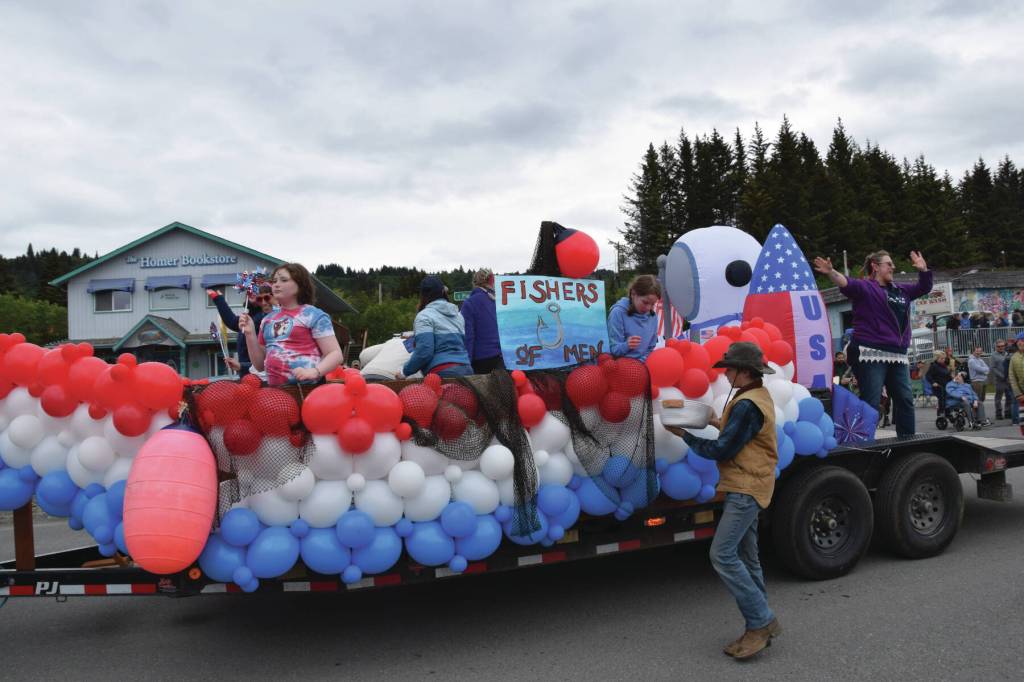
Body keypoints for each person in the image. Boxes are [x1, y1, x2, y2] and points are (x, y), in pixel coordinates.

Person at [665, 342, 780, 659]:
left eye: (729, 368)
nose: (725, 373)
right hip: (750, 484)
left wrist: (683, 434)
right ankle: (756, 626)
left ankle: (762, 622)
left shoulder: (746, 405)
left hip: (746, 488)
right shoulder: (753, 396)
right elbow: (742, 436)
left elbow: (721, 450)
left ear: (744, 372)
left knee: (723, 555)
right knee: (748, 557)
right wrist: (717, 422)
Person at [813, 250, 932, 437]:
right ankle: (863, 442)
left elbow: (923, 288)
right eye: (888, 264)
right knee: (871, 401)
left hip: (897, 355)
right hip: (871, 352)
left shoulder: (902, 291)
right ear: (875, 267)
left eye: (892, 264)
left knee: (905, 400)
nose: (893, 267)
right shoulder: (865, 287)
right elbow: (846, 283)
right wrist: (831, 272)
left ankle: (907, 441)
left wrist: (924, 270)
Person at [239, 263, 342, 386]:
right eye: (274, 281)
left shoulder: (313, 315)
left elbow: (335, 354)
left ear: (300, 285)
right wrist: (250, 334)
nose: (276, 284)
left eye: (283, 280)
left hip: (308, 390)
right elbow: (260, 365)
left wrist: (315, 372)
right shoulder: (267, 320)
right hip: (276, 394)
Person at [402, 275, 473, 378]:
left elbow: (424, 352)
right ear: (443, 292)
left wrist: (404, 371)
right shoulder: (458, 315)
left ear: (423, 295)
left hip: (442, 372)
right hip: (467, 369)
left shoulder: (424, 316)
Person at [207, 283, 274, 374]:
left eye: (256, 290)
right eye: (249, 290)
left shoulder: (267, 319)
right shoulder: (252, 316)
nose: (252, 292)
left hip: (260, 377)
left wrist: (242, 366)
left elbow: (266, 359)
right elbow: (233, 322)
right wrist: (219, 299)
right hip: (248, 375)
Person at [607, 274, 661, 361]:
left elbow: (650, 348)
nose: (648, 308)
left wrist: (641, 363)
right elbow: (613, 349)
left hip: (643, 366)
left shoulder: (652, 316)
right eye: (645, 302)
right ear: (633, 294)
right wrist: (626, 345)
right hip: (620, 366)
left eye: (653, 304)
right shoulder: (618, 313)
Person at [460, 267, 503, 374]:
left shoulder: (469, 303)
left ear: (475, 283)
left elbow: (468, 337)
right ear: (492, 281)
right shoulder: (500, 302)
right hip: (501, 359)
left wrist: (467, 364)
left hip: (480, 361)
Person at [967, 347, 992, 425]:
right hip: (976, 382)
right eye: (977, 351)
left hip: (983, 382)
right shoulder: (971, 360)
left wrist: (984, 370)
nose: (978, 353)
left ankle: (979, 417)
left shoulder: (980, 360)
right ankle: (977, 419)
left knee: (981, 400)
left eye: (980, 351)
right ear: (973, 351)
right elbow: (979, 369)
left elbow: (988, 369)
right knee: (977, 401)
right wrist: (985, 370)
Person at [926, 351, 953, 416]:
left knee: (947, 399)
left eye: (944, 358)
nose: (943, 360)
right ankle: (941, 413)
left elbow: (947, 375)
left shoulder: (944, 366)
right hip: (938, 387)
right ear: (937, 358)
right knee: (942, 399)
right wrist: (933, 382)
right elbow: (928, 375)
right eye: (941, 358)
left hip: (946, 386)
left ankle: (947, 413)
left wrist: (953, 379)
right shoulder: (934, 366)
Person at [990, 339, 1011, 420]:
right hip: (999, 380)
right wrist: (1002, 376)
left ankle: (1007, 412)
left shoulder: (1007, 354)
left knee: (1009, 396)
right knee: (998, 397)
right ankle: (998, 413)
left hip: (1008, 379)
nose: (1001, 347)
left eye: (1002, 346)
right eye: (999, 346)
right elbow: (993, 368)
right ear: (996, 347)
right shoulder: (993, 355)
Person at [1008, 332, 1024, 426]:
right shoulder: (1014, 357)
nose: (1020, 343)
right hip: (1022, 395)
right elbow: (1012, 377)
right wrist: (1018, 394)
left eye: (1022, 340)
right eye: (1018, 341)